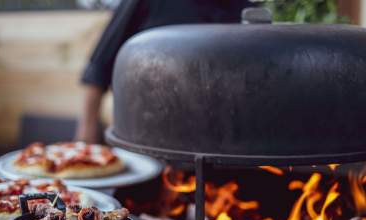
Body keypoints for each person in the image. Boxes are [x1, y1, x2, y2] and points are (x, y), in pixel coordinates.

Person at [76, 0, 254, 143]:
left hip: (221, 140)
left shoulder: (244, 8)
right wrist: (87, 129)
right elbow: (99, 66)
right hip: (145, 137)